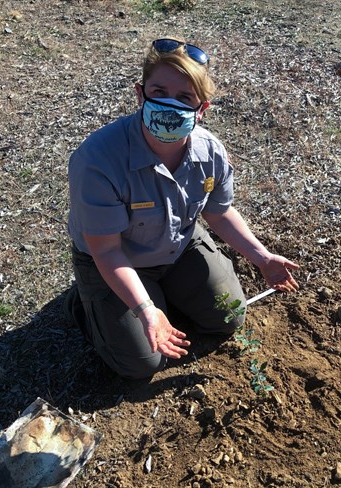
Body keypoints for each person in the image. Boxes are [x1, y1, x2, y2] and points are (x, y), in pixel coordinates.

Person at [65, 37, 299, 379]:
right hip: (116, 259)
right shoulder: (97, 160)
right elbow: (108, 250)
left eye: (184, 98)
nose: (168, 105)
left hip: (178, 244)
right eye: (158, 92)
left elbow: (218, 212)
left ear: (201, 111)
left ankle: (163, 294)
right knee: (141, 363)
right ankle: (88, 305)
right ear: (140, 93)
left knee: (229, 317)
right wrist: (146, 308)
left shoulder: (211, 153)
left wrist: (261, 257)